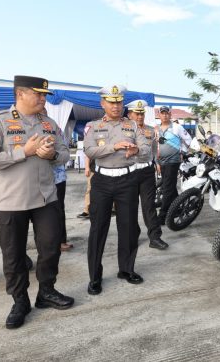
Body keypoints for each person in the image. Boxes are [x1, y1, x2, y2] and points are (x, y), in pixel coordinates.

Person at [0, 75, 74, 329]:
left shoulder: (49, 123)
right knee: (14, 256)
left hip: (46, 198)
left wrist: (52, 154)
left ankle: (46, 292)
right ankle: (20, 301)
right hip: (12, 201)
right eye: (39, 94)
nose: (43, 99)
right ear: (20, 94)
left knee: (51, 248)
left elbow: (65, 153)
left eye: (45, 95)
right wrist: (25, 152)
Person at [84, 85, 150, 296]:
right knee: (98, 229)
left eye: (119, 102)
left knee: (129, 227)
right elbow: (89, 150)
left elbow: (147, 149)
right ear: (103, 103)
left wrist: (137, 149)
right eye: (111, 102)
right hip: (102, 181)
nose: (116, 106)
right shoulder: (93, 126)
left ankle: (127, 269)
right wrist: (113, 147)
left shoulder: (132, 125)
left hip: (128, 180)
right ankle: (95, 277)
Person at [127, 100, 168, 250]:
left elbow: (154, 149)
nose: (140, 116)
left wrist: (156, 163)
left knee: (149, 206)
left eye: (142, 113)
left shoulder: (151, 130)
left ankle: (155, 237)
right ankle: (131, 237)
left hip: (146, 172)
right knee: (129, 207)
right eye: (136, 113)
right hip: (129, 172)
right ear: (129, 114)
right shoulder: (124, 130)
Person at [41, 107, 73, 251]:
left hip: (57, 177)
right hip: (36, 178)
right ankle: (45, 241)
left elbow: (64, 150)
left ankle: (61, 241)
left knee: (58, 209)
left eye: (44, 113)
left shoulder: (54, 127)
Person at [156, 105, 192, 223]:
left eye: (167, 113)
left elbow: (188, 140)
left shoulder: (177, 127)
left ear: (170, 115)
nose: (165, 115)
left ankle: (163, 215)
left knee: (167, 188)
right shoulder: (157, 129)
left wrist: (183, 151)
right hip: (162, 161)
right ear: (159, 115)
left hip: (173, 161)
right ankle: (179, 208)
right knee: (170, 188)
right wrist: (157, 162)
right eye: (162, 113)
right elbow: (155, 147)